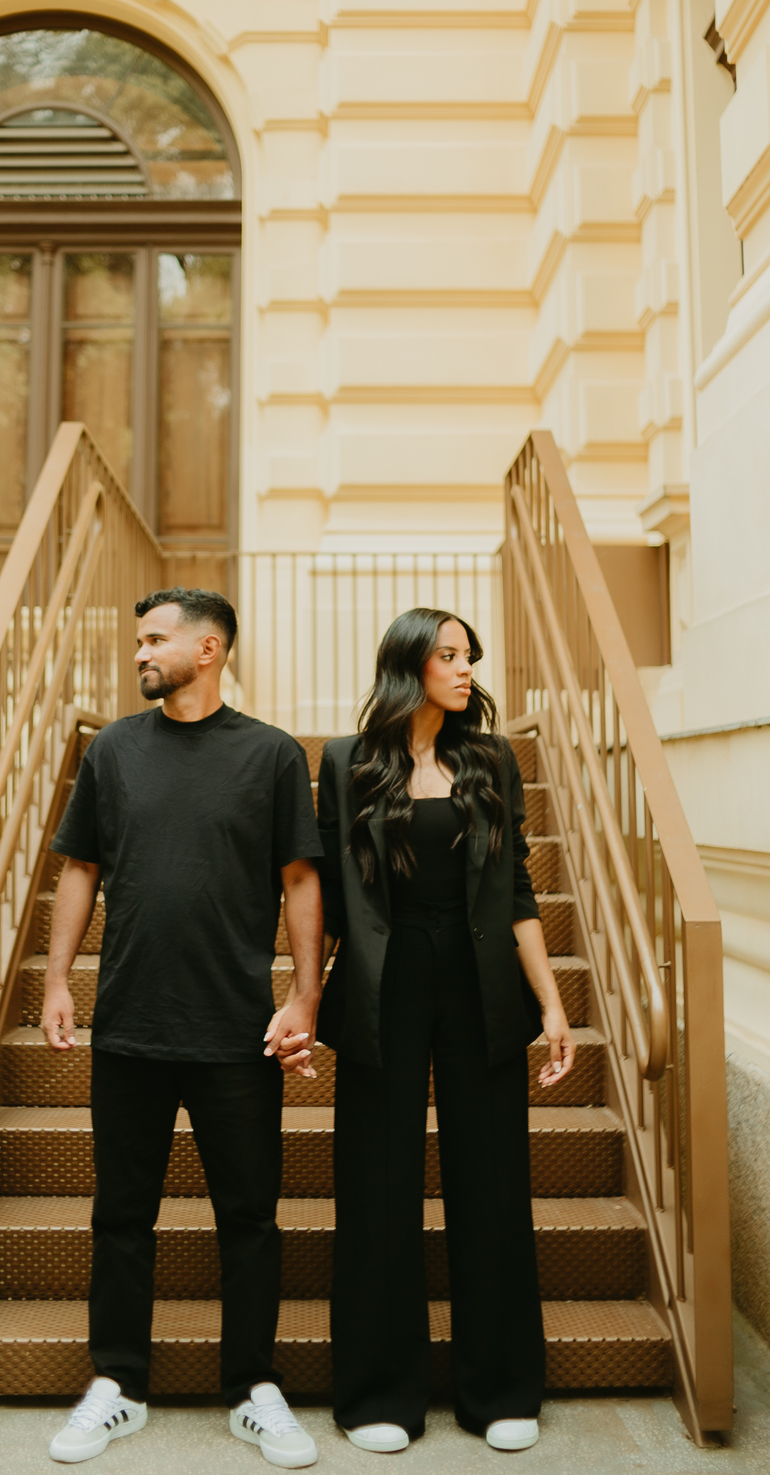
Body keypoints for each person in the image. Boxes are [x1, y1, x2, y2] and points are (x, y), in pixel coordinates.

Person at [41, 587, 325, 1469]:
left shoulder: (271, 755)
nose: (140, 653)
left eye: (155, 639)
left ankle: (253, 1389)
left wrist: (304, 997)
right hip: (130, 1025)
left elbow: (301, 879)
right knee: (122, 1216)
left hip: (236, 1032)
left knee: (250, 1219)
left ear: (209, 649)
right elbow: (80, 869)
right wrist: (56, 980)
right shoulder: (113, 750)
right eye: (139, 640)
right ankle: (118, 1385)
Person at [289, 607, 574, 1455]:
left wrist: (551, 1004)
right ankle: (379, 1392)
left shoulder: (490, 759)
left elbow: (516, 891)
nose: (465, 668)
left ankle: (502, 1390)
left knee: (493, 1180)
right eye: (448, 654)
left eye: (468, 655)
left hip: (481, 980)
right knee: (377, 1183)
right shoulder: (347, 761)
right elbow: (326, 897)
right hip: (383, 982)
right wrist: (304, 998)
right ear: (408, 664)